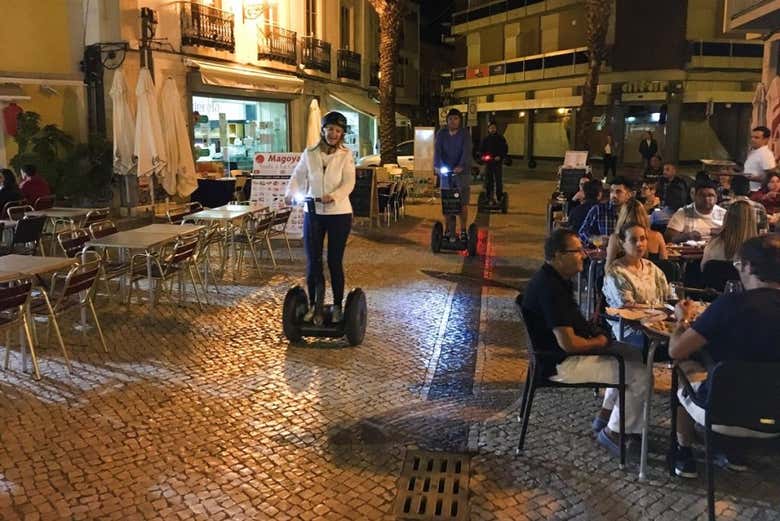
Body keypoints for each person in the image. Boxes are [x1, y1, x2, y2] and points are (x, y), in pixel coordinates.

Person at [521, 229, 650, 457]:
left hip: (556, 356)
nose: (584, 255)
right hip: (559, 363)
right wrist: (600, 341)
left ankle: (606, 413)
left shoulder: (553, 279)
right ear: (559, 255)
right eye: (577, 251)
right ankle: (615, 433)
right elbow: (569, 344)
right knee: (640, 374)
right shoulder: (551, 289)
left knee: (632, 354)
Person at [669, 234, 780, 478]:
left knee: (682, 366)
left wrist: (682, 320)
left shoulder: (731, 305)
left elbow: (676, 349)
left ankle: (683, 450)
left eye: (740, 265)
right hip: (775, 422)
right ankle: (733, 452)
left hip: (722, 413)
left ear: (749, 267)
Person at [285, 111, 355, 324]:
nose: (333, 133)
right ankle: (314, 306)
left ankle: (336, 306)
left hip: (339, 213)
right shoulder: (310, 152)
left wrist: (332, 197)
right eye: (330, 129)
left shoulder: (346, 154)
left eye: (338, 130)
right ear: (323, 130)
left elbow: (349, 183)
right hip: (312, 212)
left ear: (342, 134)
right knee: (313, 262)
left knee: (334, 261)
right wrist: (290, 192)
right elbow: (298, 175)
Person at [603, 223, 670, 345]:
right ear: (623, 243)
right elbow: (627, 307)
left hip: (658, 324)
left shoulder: (652, 268)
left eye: (643, 239)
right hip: (631, 329)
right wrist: (657, 309)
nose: (639, 244)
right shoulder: (616, 272)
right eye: (633, 240)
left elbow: (667, 296)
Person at [434, 108, 472, 240]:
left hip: (462, 172)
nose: (453, 121)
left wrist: (461, 165)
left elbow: (466, 151)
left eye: (456, 118)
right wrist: (437, 166)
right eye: (450, 119)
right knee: (447, 203)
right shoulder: (441, 133)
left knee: (462, 203)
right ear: (447, 120)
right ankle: (447, 230)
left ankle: (463, 230)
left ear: (460, 120)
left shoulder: (464, 134)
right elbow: (437, 150)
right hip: (446, 172)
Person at [605, 199, 667, 268]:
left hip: (623, 277)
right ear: (644, 215)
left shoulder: (616, 238)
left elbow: (608, 268)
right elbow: (665, 266)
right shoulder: (658, 236)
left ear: (622, 216)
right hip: (651, 277)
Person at [700, 200, 757, 269]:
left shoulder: (713, 245)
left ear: (726, 218)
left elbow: (703, 269)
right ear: (753, 221)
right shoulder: (760, 252)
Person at [578, 176, 634, 245]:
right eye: (612, 191)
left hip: (627, 252)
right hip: (605, 253)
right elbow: (582, 232)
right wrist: (595, 239)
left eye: (618, 192)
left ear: (628, 195)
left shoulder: (633, 211)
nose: (614, 195)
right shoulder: (599, 209)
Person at [478, 121, 509, 205]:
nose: (492, 129)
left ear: (496, 129)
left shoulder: (501, 138)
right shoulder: (486, 139)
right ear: (488, 129)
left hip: (497, 163)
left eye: (494, 128)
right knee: (488, 181)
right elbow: (481, 150)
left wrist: (500, 156)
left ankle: (499, 197)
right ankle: (488, 197)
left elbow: (505, 149)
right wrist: (483, 157)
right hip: (489, 162)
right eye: (491, 128)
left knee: (498, 180)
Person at [742, 126, 776, 192]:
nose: (752, 139)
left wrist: (750, 178)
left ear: (766, 140)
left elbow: (771, 178)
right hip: (748, 190)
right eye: (752, 137)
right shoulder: (753, 152)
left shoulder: (766, 154)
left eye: (756, 138)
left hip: (758, 192)